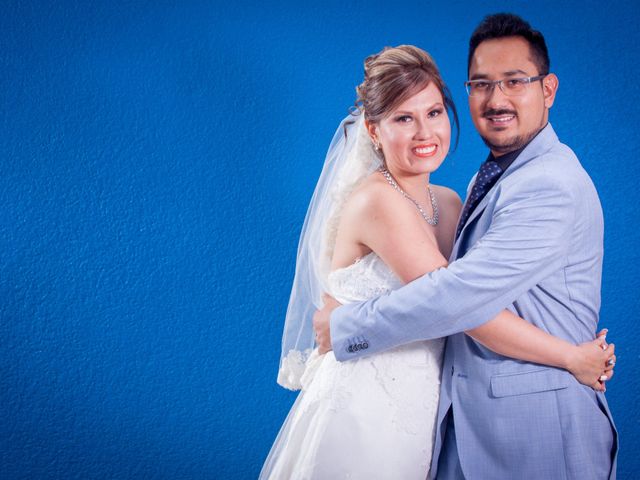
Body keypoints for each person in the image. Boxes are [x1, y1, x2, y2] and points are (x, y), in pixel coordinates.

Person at [263, 41, 614, 479]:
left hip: (433, 404)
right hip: (371, 405)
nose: (424, 133)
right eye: (403, 119)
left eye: (433, 113)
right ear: (373, 130)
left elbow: (475, 294)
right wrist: (569, 356)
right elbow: (457, 305)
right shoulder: (378, 202)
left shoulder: (448, 201)